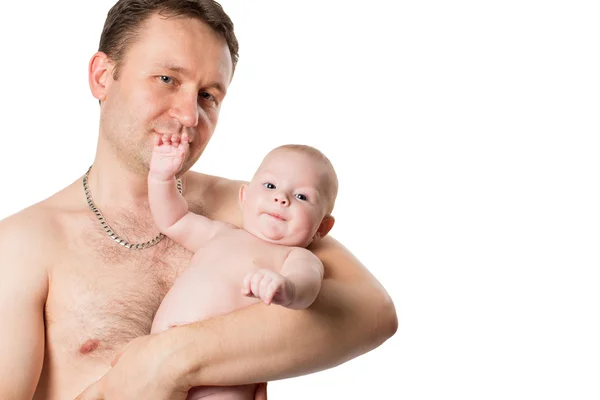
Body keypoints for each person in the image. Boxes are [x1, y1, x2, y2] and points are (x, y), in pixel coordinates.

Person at [0, 1, 397, 399]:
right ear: (103, 76)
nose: (190, 115)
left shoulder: (252, 208)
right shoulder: (22, 245)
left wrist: (169, 360)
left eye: (208, 95)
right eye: (167, 79)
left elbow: (373, 312)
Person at [149, 134, 338, 399]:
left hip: (222, 384)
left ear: (322, 227)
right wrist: (161, 178)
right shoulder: (220, 234)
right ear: (244, 197)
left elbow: (306, 289)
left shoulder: (295, 258)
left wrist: (286, 288)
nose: (281, 198)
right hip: (154, 368)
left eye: (302, 196)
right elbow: (173, 219)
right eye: (270, 185)